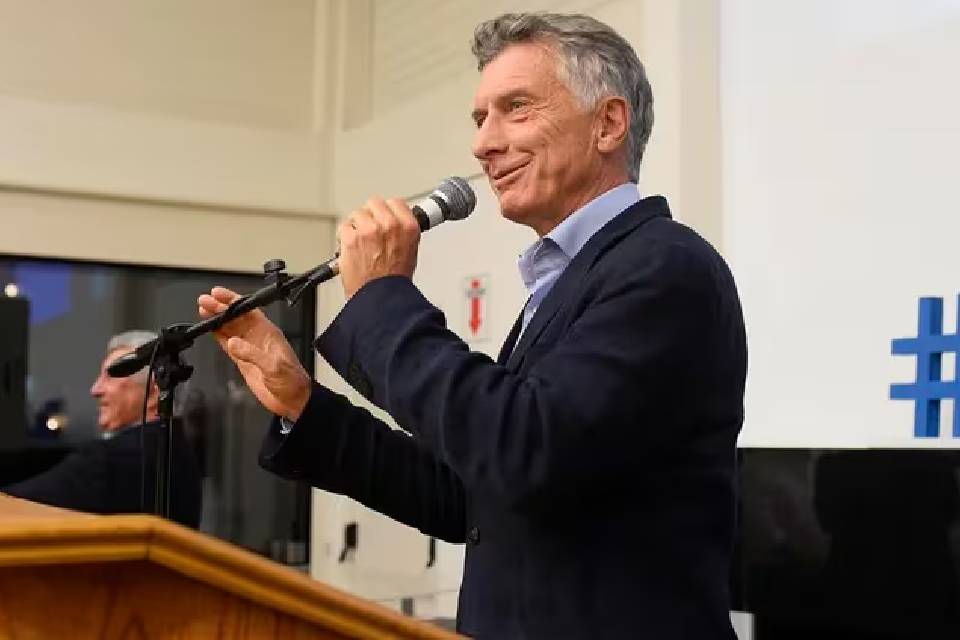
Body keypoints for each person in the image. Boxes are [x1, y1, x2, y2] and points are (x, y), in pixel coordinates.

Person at [198, 12, 746, 639]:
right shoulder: (571, 278)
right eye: (480, 118)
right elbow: (469, 495)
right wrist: (303, 404)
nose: (483, 144)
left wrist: (382, 297)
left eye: (516, 108)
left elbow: (522, 452)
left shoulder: (664, 267)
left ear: (608, 123)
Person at [3, 331, 202, 528]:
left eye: (111, 377)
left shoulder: (110, 461)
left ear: (154, 392)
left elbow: (9, 506)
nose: (95, 390)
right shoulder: (181, 455)